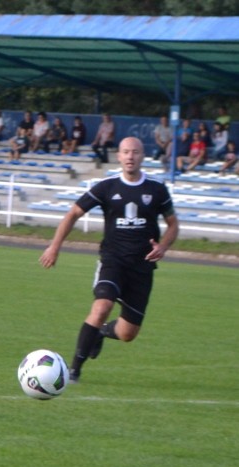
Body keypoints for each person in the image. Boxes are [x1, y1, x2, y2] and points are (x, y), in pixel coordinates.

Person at [39, 137, 179, 383]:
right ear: (119, 156)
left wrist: (164, 246)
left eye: (135, 152)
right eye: (125, 152)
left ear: (142, 156)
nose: (130, 156)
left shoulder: (156, 189)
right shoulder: (106, 187)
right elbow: (73, 213)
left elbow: (173, 224)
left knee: (127, 333)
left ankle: (102, 333)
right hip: (112, 260)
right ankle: (74, 370)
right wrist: (55, 246)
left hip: (142, 267)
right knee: (102, 306)